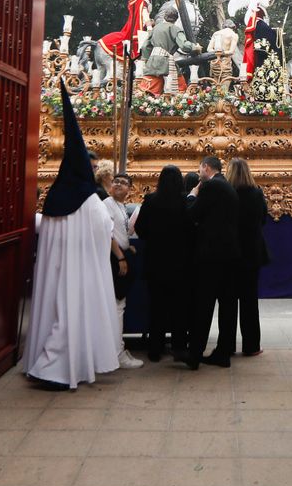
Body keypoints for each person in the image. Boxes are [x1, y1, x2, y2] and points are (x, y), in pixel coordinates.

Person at [24, 85, 120, 390]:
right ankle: (53, 369)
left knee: (56, 312)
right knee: (69, 318)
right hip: (81, 268)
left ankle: (51, 364)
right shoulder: (90, 200)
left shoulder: (55, 196)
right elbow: (106, 228)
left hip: (56, 267)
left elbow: (43, 227)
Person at [184, 155, 240, 369]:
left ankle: (195, 353)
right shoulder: (227, 186)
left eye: (200, 169)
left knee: (204, 305)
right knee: (227, 305)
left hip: (211, 256)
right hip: (229, 254)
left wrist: (191, 195)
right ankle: (223, 352)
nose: (199, 173)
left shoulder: (210, 187)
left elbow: (193, 214)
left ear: (206, 168)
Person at [134, 165, 192, 362]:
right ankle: (178, 347)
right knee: (179, 308)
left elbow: (140, 228)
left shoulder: (151, 200)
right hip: (180, 263)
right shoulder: (185, 201)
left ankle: (155, 349)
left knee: (156, 307)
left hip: (155, 261)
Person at [228, 157, 272, 356]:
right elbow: (263, 218)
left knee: (228, 302)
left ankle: (227, 345)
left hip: (230, 251)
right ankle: (251, 345)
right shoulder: (256, 193)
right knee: (249, 301)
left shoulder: (226, 193)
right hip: (252, 251)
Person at [102, 171, 144, 370]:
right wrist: (120, 256)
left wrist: (128, 247)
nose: (118, 185)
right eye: (116, 181)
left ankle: (117, 349)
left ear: (130, 189)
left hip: (121, 254)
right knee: (118, 306)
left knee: (119, 304)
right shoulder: (107, 205)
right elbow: (108, 233)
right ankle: (116, 353)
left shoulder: (119, 206)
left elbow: (119, 232)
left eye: (123, 183)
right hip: (114, 259)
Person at [139, 4, 201, 95]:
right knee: (180, 91)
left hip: (153, 63)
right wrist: (195, 47)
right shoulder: (175, 29)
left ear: (165, 17)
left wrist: (148, 60)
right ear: (176, 19)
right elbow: (184, 46)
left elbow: (145, 46)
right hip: (167, 62)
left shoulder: (155, 28)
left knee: (148, 92)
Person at [245, 6, 288, 102]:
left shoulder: (257, 26)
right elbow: (268, 39)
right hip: (264, 61)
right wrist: (278, 32)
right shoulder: (261, 25)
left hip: (260, 61)